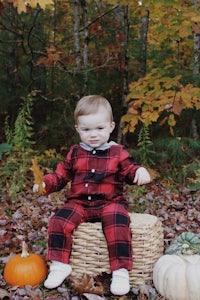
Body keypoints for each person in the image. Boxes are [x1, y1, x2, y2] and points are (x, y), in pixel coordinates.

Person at [33, 95, 151, 296]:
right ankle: (60, 265)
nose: (93, 135)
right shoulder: (75, 152)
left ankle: (120, 270)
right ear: (78, 129)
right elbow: (61, 175)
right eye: (87, 130)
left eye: (100, 128)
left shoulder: (117, 152)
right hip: (79, 203)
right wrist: (46, 183)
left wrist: (139, 172)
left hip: (109, 202)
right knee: (59, 220)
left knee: (118, 220)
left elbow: (129, 169)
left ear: (111, 126)